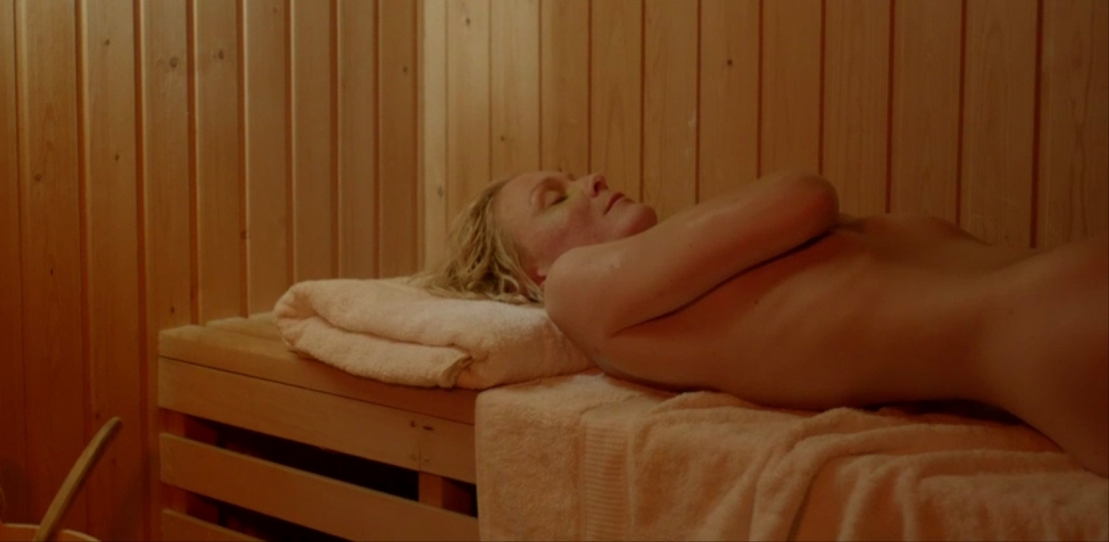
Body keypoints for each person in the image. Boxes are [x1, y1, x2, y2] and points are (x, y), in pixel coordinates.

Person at [424, 169, 1109, 477]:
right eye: (557, 198)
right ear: (531, 273)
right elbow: (803, 197)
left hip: (1054, 317)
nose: (593, 179)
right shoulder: (573, 288)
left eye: (575, 176)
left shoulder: (673, 291)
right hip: (1054, 327)